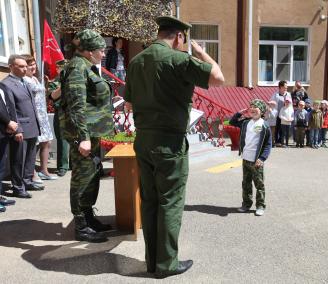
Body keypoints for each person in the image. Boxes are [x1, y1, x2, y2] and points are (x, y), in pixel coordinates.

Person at [124, 16, 224, 278]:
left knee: (150, 201)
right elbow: (218, 77)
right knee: (170, 202)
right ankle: (166, 264)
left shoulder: (136, 62)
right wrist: (203, 53)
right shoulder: (178, 59)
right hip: (169, 142)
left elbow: (129, 104)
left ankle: (152, 261)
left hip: (144, 140)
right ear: (179, 37)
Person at [59, 29, 114, 243]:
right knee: (81, 180)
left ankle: (89, 218)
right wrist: (83, 136)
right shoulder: (76, 67)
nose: (103, 53)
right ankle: (81, 226)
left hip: (92, 132)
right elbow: (76, 104)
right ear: (89, 52)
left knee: (91, 177)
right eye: (101, 50)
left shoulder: (86, 66)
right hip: (83, 134)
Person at [1, 55, 43, 198]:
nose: (26, 69)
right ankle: (18, 187)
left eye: (26, 66)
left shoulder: (24, 81)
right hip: (20, 128)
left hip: (32, 125)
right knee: (18, 159)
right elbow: (11, 109)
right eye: (21, 66)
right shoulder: (7, 84)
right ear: (11, 66)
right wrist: (17, 129)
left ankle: (27, 180)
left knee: (31, 157)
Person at [229, 99, 272, 216]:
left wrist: (262, 158)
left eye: (255, 107)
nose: (252, 109)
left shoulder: (264, 125)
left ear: (261, 111)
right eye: (251, 106)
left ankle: (260, 206)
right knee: (246, 183)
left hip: (256, 160)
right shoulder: (245, 122)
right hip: (246, 159)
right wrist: (239, 113)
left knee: (259, 184)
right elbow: (232, 122)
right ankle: (246, 204)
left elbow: (268, 145)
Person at [23, 55, 57, 181]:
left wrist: (46, 84)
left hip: (42, 115)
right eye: (29, 65)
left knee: (46, 142)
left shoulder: (35, 79)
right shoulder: (24, 80)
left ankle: (44, 170)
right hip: (34, 115)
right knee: (34, 145)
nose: (33, 67)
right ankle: (31, 173)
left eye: (33, 64)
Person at [47, 60, 70, 177]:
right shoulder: (54, 82)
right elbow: (52, 96)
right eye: (63, 68)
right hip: (61, 113)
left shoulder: (75, 80)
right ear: (57, 69)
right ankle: (62, 166)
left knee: (77, 139)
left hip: (75, 113)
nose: (65, 69)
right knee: (62, 140)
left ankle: (73, 164)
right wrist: (63, 85)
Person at [0, 82, 18, 211]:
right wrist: (8, 122)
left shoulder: (2, 86)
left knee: (1, 167)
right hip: (3, 126)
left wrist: (11, 123)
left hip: (4, 131)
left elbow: (8, 106)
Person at [270, 80, 291, 146]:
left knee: (283, 129)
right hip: (277, 114)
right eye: (285, 87)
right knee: (277, 128)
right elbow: (271, 103)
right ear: (281, 87)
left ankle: (282, 141)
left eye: (286, 87)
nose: (286, 88)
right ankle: (277, 141)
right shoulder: (275, 95)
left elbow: (291, 104)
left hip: (285, 114)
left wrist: (290, 113)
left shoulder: (288, 94)